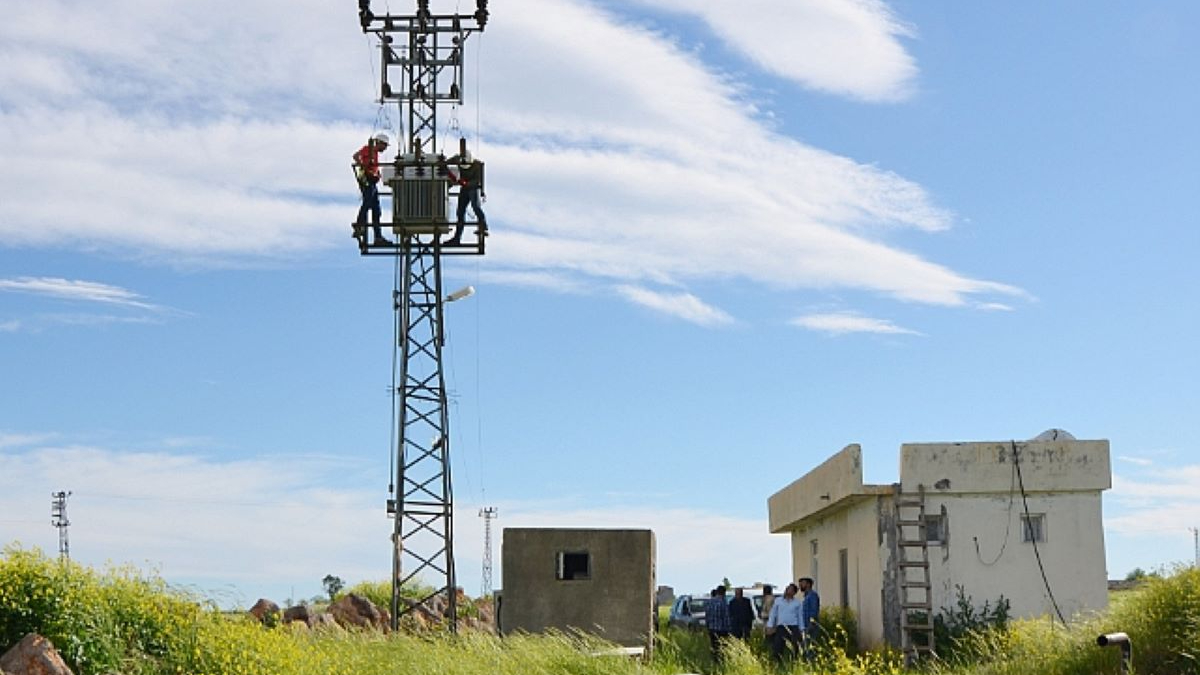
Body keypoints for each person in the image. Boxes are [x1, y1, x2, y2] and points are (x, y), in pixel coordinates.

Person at [352, 131, 393, 246]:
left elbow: (373, 166)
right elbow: (356, 156)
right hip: (367, 181)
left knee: (376, 210)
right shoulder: (368, 149)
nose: (385, 148)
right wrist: (364, 167)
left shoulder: (375, 154)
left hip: (372, 182)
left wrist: (377, 174)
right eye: (384, 145)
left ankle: (378, 237)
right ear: (379, 143)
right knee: (367, 203)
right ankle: (360, 225)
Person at [443, 148, 487, 245]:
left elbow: (477, 181)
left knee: (475, 206)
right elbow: (448, 162)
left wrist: (466, 183)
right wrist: (443, 164)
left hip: (472, 187)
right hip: (464, 187)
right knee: (460, 211)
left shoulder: (477, 165)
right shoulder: (458, 159)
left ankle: (483, 225)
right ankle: (457, 238)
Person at [765, 583, 802, 663]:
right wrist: (770, 625)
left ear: (794, 592)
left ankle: (795, 662)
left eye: (790, 590)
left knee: (795, 646)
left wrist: (801, 629)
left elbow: (800, 616)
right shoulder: (778, 601)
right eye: (787, 589)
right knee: (778, 645)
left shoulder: (797, 603)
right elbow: (773, 613)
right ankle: (778, 662)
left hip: (793, 626)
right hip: (781, 627)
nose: (787, 591)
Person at [704, 586, 732, 664]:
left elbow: (707, 616)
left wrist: (708, 627)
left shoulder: (709, 602)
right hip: (722, 629)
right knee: (722, 648)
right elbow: (726, 617)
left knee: (714, 646)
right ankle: (721, 662)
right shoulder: (723, 602)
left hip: (712, 629)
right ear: (724, 593)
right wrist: (729, 629)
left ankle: (714, 662)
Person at [799, 577, 822, 660]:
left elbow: (814, 610)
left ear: (808, 584)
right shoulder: (806, 596)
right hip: (806, 626)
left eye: (802, 583)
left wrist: (811, 624)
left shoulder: (812, 596)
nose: (800, 585)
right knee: (806, 647)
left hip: (811, 626)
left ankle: (812, 664)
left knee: (810, 646)